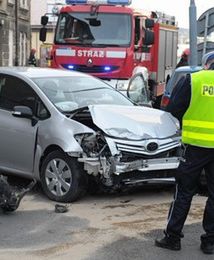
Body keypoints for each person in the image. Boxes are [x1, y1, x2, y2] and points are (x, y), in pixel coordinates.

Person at [155, 50, 214, 255]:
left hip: (194, 147)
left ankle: (172, 238)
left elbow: (172, 109)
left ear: (206, 65)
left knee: (184, 192)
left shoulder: (194, 80)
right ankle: (210, 242)